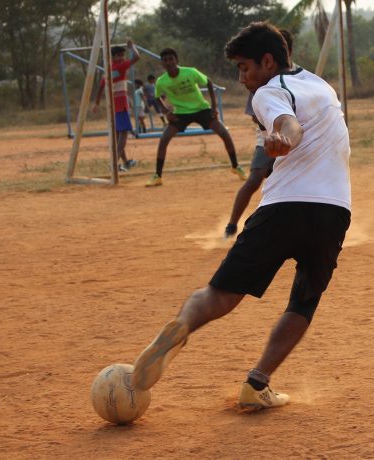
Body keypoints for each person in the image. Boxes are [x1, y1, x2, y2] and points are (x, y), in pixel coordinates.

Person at [131, 22, 351, 411]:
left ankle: (181, 328)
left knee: (220, 294)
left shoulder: (268, 92)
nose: (242, 78)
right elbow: (297, 123)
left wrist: (282, 137)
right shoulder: (321, 85)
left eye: (244, 67)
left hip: (283, 208)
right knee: (304, 301)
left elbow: (288, 124)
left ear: (268, 61)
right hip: (333, 211)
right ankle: (257, 383)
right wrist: (284, 135)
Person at [225, 28, 296, 239]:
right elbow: (257, 116)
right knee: (255, 178)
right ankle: (232, 225)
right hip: (267, 134)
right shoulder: (260, 84)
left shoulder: (296, 78)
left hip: (291, 136)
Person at [145, 48, 246, 187]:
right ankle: (157, 176)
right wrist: (166, 112)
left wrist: (214, 107)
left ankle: (236, 166)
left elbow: (209, 82)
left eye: (171, 59)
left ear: (176, 61)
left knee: (224, 133)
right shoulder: (162, 81)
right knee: (164, 140)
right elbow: (156, 97)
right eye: (165, 60)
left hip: (201, 109)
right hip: (180, 113)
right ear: (162, 63)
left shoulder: (190, 72)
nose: (168, 62)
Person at [92, 39, 140, 172]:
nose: (121, 58)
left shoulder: (108, 69)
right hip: (120, 105)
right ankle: (114, 163)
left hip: (111, 106)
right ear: (112, 57)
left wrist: (96, 102)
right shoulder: (121, 66)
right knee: (123, 134)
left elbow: (101, 86)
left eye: (122, 55)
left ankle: (125, 162)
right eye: (118, 55)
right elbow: (137, 57)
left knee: (119, 135)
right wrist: (132, 46)